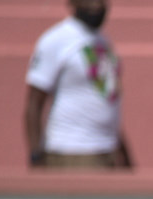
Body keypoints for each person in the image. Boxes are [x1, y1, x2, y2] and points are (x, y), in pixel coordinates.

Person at [25, 0, 133, 169]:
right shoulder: (55, 40)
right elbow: (34, 104)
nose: (96, 7)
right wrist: (36, 155)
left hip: (108, 152)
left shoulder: (102, 41)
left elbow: (104, 98)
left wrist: (125, 155)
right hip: (72, 152)